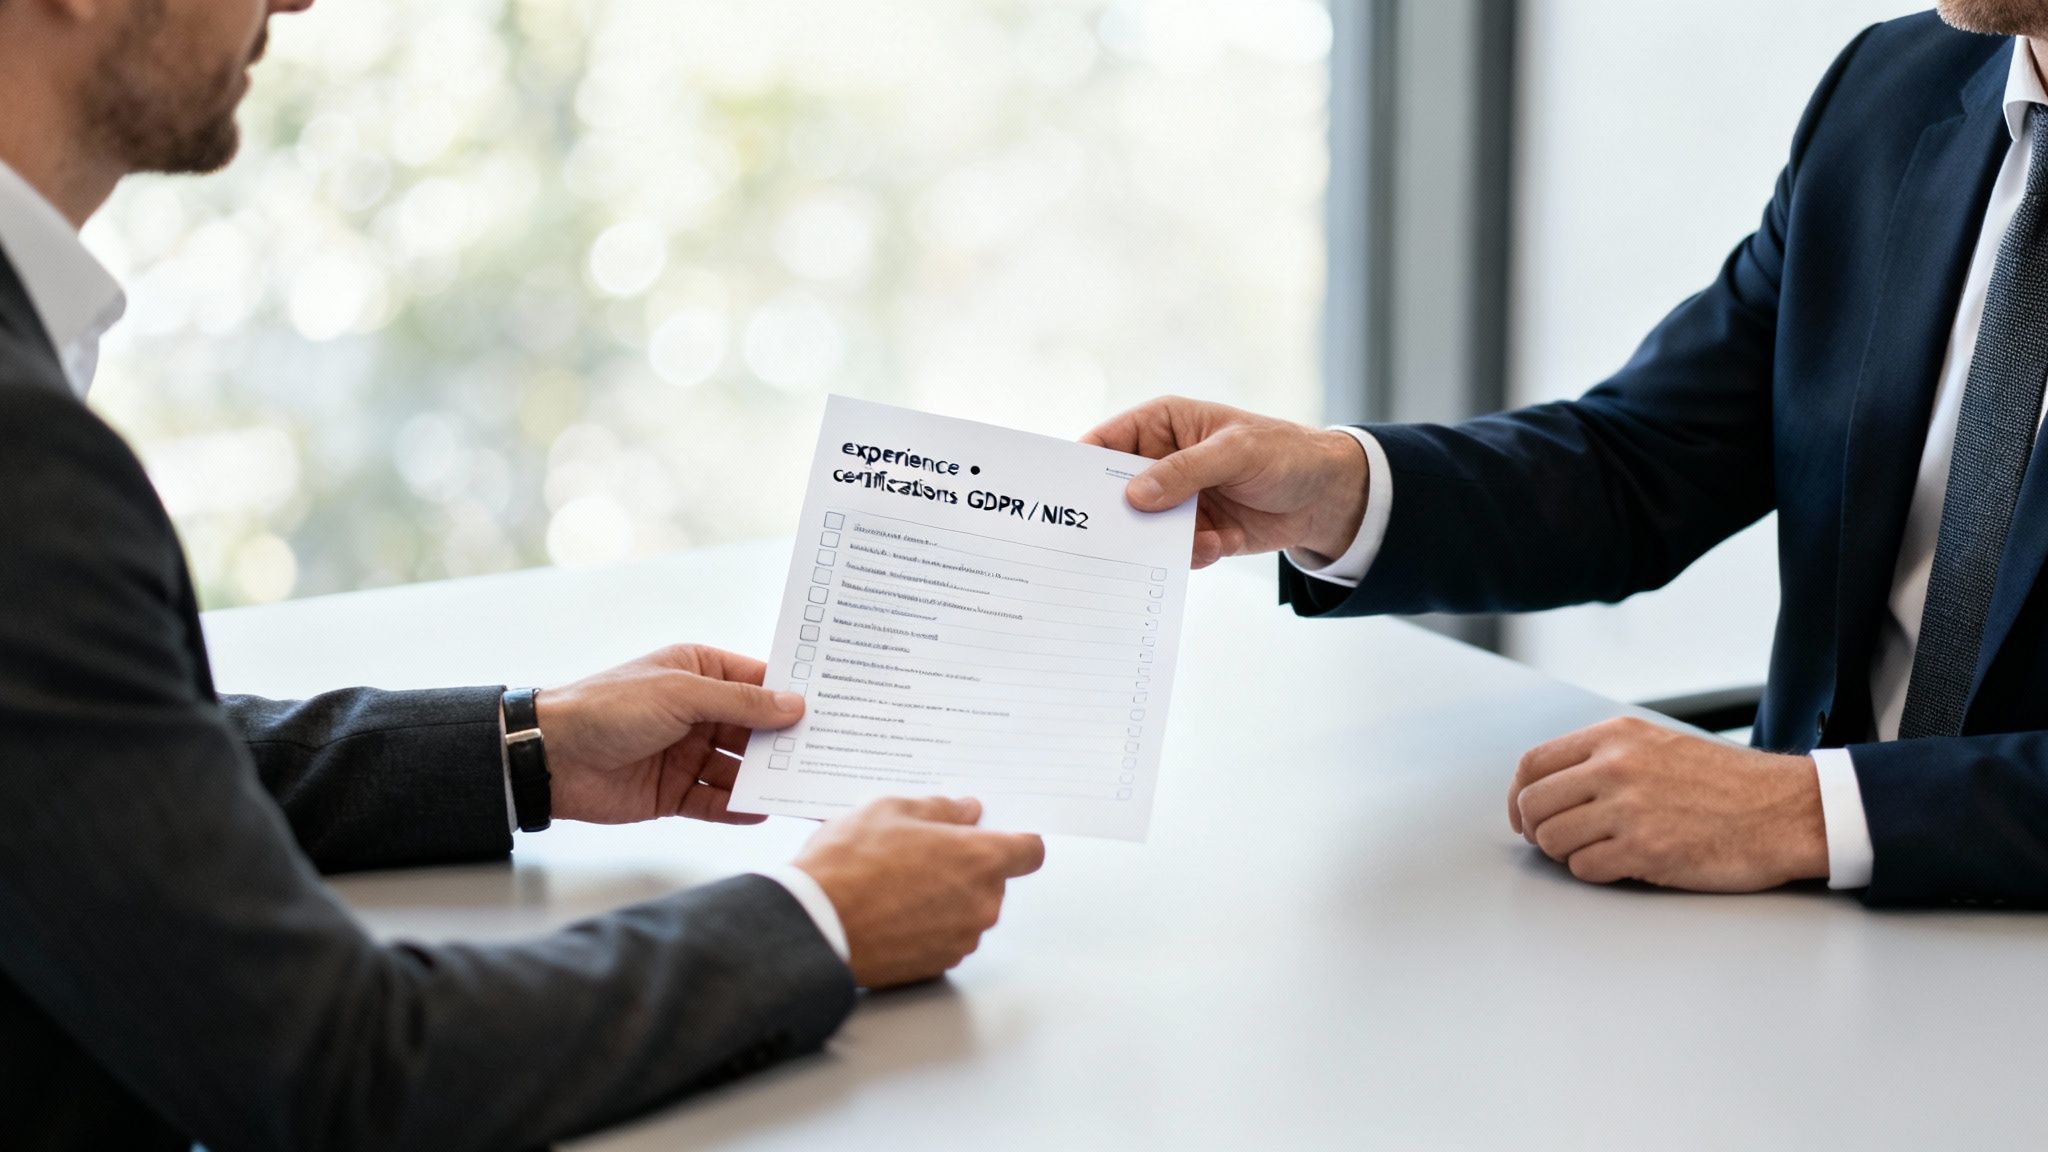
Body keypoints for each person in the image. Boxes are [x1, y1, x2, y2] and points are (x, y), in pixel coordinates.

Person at [0, 1, 1046, 1149]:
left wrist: (526, 746)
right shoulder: (26, 458)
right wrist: (817, 920)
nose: (295, 0)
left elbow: (88, 770)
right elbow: (341, 1067)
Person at [1089, 5, 2048, 909]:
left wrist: (1810, 811)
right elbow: (1646, 461)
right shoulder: (1893, 91)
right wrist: (1337, 488)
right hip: (1788, 931)